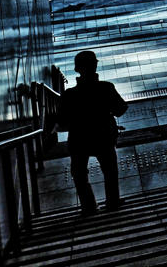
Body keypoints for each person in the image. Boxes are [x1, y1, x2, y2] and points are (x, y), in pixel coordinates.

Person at [57, 50, 128, 215]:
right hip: (103, 136)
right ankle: (112, 202)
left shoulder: (69, 95)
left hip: (78, 139)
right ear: (95, 65)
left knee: (79, 173)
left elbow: (63, 122)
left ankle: (88, 206)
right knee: (110, 170)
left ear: (77, 69)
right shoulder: (106, 88)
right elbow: (121, 109)